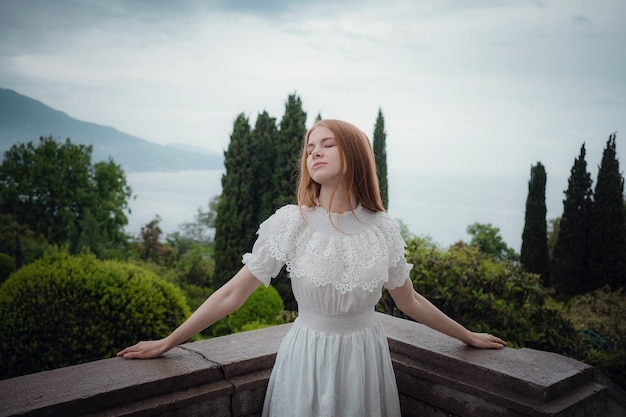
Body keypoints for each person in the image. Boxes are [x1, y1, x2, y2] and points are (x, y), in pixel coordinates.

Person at [118, 119, 507, 417]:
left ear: (354, 155)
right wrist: (169, 342)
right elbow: (233, 293)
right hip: (307, 357)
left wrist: (467, 336)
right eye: (309, 149)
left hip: (366, 360)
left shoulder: (383, 228)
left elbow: (410, 301)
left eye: (327, 145)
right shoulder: (291, 222)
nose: (314, 154)